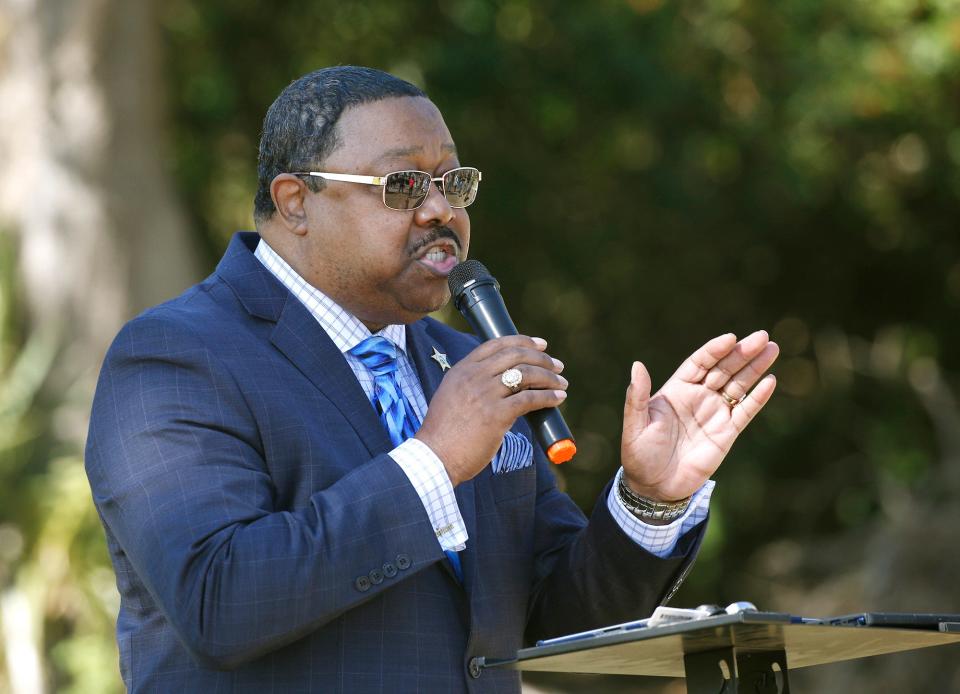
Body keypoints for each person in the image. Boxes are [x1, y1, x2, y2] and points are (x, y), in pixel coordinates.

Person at [85, 66, 779, 693]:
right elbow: (220, 603)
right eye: (404, 186)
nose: (440, 210)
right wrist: (436, 460)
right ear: (296, 202)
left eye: (454, 184)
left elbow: (554, 615)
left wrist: (648, 498)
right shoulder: (177, 357)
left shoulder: (459, 362)